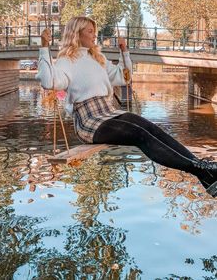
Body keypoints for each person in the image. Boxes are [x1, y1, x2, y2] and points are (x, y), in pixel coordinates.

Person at [36, 16, 217, 197]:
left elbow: (124, 77)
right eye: (90, 31)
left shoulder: (97, 58)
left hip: (108, 111)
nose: (94, 36)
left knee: (148, 126)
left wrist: (125, 53)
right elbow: (48, 81)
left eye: (94, 31)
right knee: (138, 133)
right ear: (76, 34)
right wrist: (44, 47)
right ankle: (201, 171)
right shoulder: (66, 61)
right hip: (89, 121)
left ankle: (202, 167)